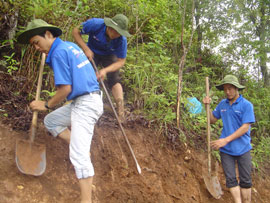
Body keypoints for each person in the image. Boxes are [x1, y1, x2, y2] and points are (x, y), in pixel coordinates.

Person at [17, 19, 103, 203]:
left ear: (48, 34)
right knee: (51, 122)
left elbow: (65, 89)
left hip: (86, 103)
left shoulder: (58, 53)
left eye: (37, 43)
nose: (37, 48)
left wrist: (45, 105)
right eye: (33, 46)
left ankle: (86, 200)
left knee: (78, 156)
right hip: (86, 100)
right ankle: (81, 149)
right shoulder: (68, 46)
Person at [203, 75, 255, 203]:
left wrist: (225, 140)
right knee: (231, 179)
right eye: (225, 89)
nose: (227, 92)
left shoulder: (246, 105)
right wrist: (207, 106)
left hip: (243, 148)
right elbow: (212, 120)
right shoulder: (222, 104)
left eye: (230, 88)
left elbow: (245, 128)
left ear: (237, 88)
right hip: (226, 151)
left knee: (245, 180)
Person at [72, 14, 131, 122]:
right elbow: (76, 31)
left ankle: (120, 111)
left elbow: (121, 61)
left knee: (114, 80)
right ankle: (79, 103)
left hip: (109, 54)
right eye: (114, 31)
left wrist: (105, 70)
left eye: (118, 32)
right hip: (91, 51)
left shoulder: (122, 40)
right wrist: (85, 48)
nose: (115, 34)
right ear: (109, 26)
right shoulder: (95, 24)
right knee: (85, 76)